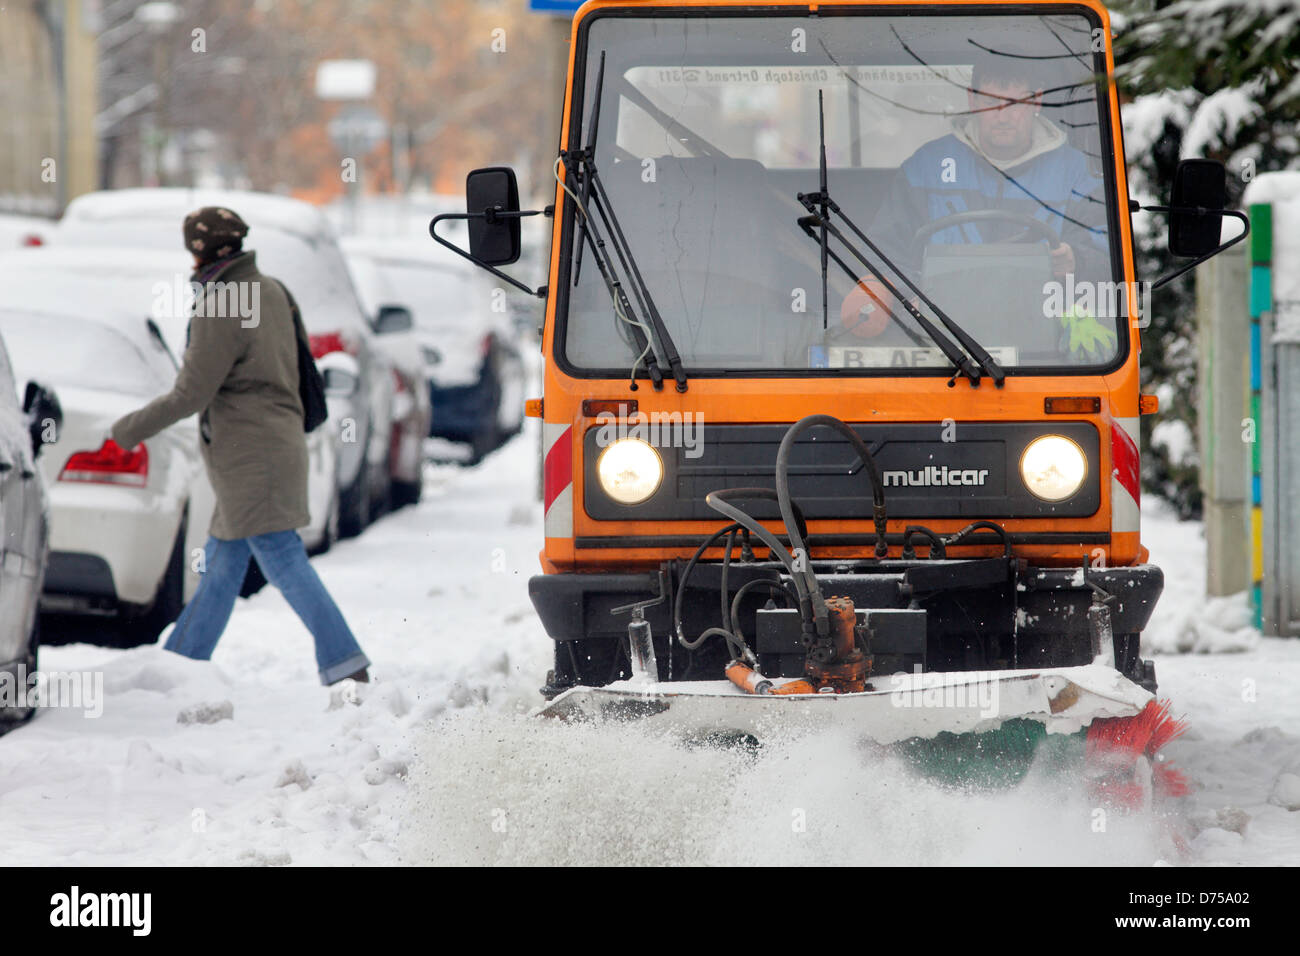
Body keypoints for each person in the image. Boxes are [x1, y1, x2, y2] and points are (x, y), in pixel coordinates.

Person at [111, 206, 371, 686]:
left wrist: (127, 429)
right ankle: (181, 664)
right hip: (271, 446)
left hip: (251, 456)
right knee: (223, 563)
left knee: (280, 554)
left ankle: (345, 660)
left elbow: (192, 392)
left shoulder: (222, 301)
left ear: (198, 249)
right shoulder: (271, 290)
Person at [867, 51, 1117, 361]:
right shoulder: (926, 168)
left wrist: (1075, 259)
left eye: (1015, 103)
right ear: (972, 101)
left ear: (1037, 101)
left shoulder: (1079, 173)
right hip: (940, 348)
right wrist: (911, 298)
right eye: (991, 101)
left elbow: (1111, 251)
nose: (1003, 114)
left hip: (1049, 353)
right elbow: (882, 251)